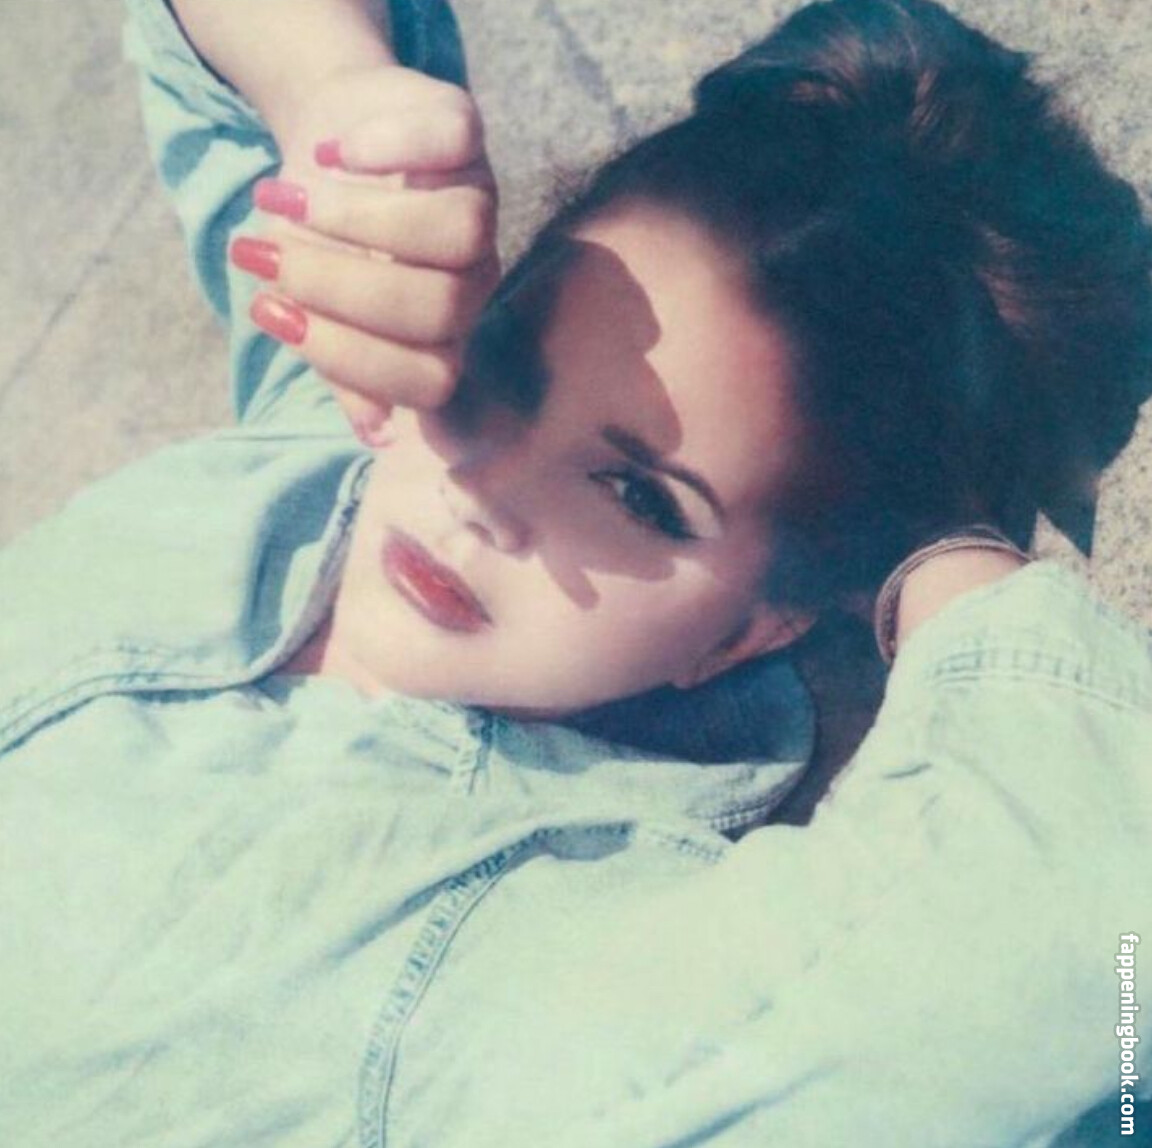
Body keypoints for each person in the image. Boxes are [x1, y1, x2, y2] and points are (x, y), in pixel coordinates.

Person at [0, 1, 1149, 1145]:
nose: (485, 482)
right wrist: (338, 105)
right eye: (505, 359)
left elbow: (1090, 908)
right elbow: (205, 63)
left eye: (640, 497)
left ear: (753, 625)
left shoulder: (544, 958)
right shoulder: (344, 426)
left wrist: (944, 548)